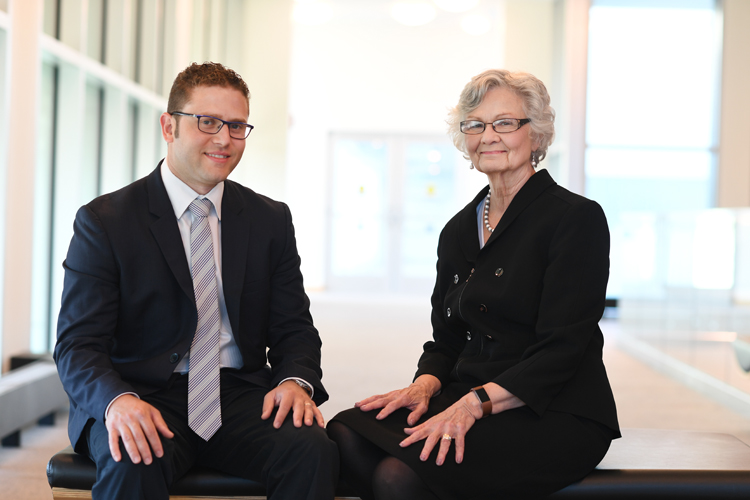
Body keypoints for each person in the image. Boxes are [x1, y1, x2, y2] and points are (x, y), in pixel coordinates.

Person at [327, 69, 620, 500]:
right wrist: (424, 385)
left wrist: (474, 404)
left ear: (535, 135)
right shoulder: (459, 229)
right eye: (475, 125)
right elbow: (446, 339)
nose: (489, 136)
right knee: (345, 432)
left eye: (505, 123)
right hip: (469, 395)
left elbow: (564, 349)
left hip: (553, 410)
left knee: (399, 474)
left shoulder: (575, 219)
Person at [54, 62, 338, 500]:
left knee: (311, 449)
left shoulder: (270, 220)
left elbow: (294, 328)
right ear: (169, 126)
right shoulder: (105, 221)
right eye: (207, 122)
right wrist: (117, 402)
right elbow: (78, 344)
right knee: (133, 458)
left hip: (239, 393)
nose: (224, 138)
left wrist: (294, 382)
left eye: (237, 125)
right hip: (143, 394)